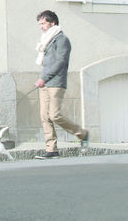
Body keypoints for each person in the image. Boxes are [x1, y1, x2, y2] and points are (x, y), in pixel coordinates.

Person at [33, 10, 89, 159]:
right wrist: (43, 79)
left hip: (56, 82)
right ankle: (52, 149)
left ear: (53, 23)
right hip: (45, 82)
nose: (41, 27)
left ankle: (82, 134)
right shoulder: (46, 40)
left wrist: (44, 78)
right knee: (45, 117)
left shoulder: (61, 39)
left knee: (54, 115)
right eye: (40, 24)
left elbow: (60, 62)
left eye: (43, 23)